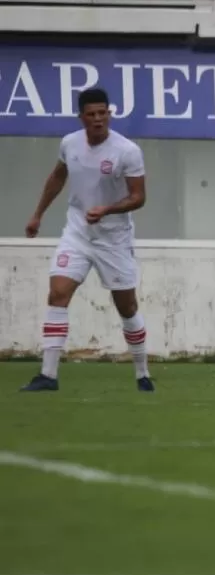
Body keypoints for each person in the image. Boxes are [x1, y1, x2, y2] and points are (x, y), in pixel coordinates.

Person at [21, 87, 153, 392]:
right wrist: (37, 214)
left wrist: (107, 209)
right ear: (81, 117)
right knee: (58, 294)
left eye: (102, 113)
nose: (97, 119)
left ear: (110, 114)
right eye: (91, 114)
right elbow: (57, 176)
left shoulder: (127, 151)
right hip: (77, 233)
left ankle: (142, 374)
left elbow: (139, 197)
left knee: (127, 307)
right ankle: (48, 376)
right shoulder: (70, 143)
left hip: (114, 239)